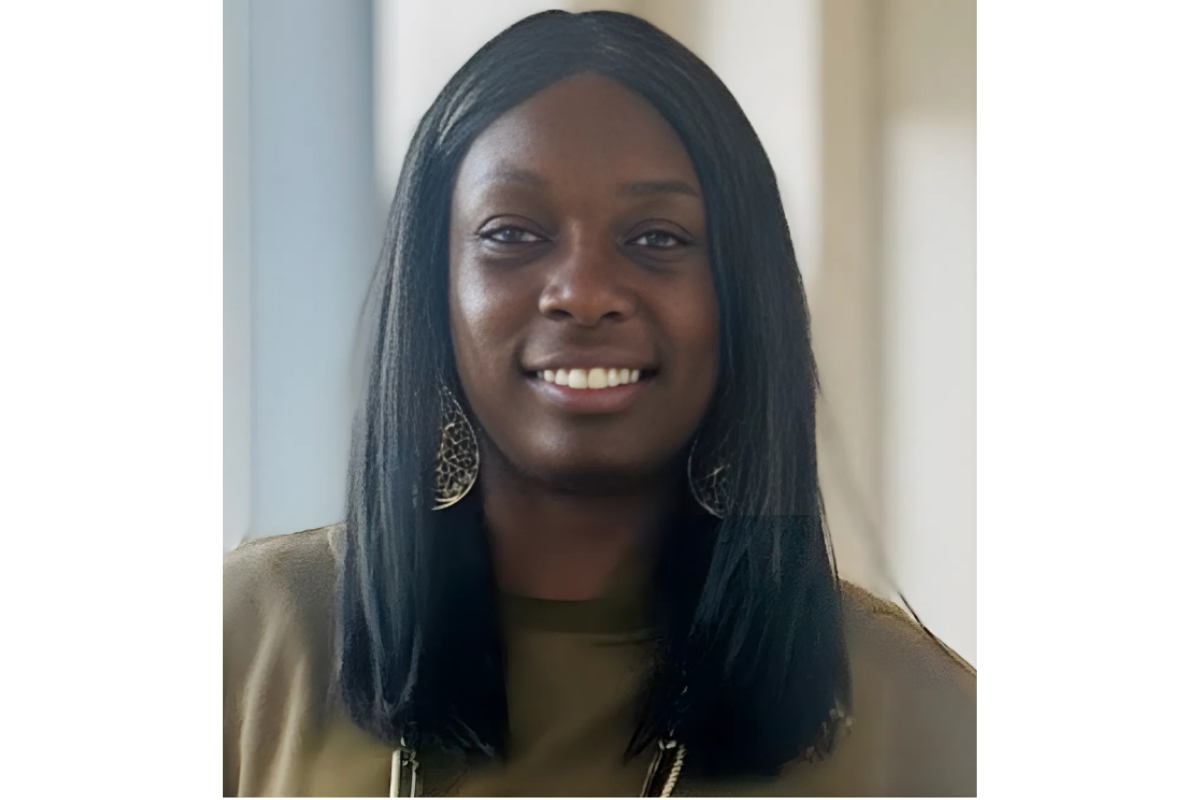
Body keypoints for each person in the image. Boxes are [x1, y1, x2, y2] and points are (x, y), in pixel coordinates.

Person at [223, 9, 975, 797]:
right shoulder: (246, 647)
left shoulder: (925, 721)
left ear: (742, 300)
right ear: (434, 294)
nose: (583, 294)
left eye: (657, 238)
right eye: (513, 233)